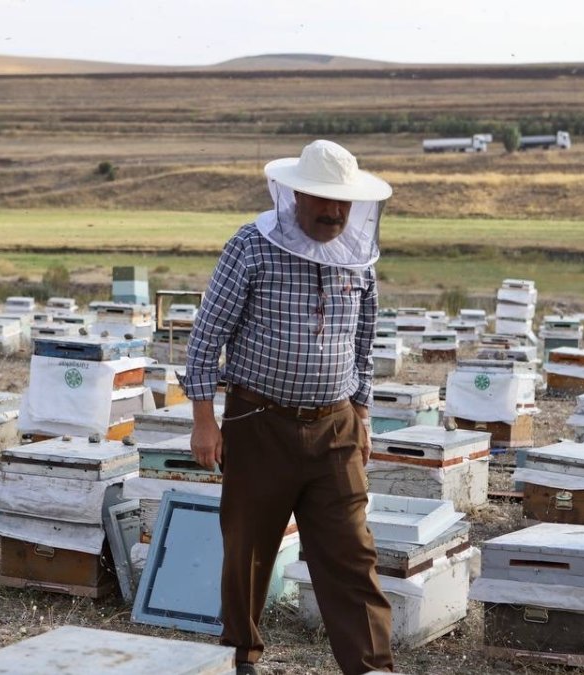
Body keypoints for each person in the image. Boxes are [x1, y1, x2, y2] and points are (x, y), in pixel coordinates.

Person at [182, 139, 395, 675]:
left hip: (337, 428)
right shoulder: (250, 246)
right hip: (259, 423)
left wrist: (363, 412)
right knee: (248, 552)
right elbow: (207, 336)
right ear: (295, 195)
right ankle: (242, 658)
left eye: (342, 203)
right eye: (322, 201)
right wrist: (204, 419)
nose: (333, 213)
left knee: (352, 554)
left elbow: (364, 341)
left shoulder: (358, 258)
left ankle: (371, 667)